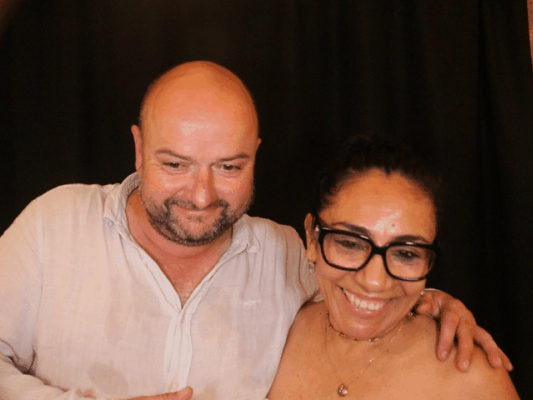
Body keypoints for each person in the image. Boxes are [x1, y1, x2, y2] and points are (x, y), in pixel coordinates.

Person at [0, 62, 511, 400]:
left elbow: (363, 283)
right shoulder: (53, 225)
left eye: (229, 167)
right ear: (138, 148)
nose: (201, 195)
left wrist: (433, 301)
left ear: (255, 156)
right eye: (175, 164)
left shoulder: (288, 255)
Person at [267, 136, 519, 399]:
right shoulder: (271, 331)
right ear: (311, 238)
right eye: (350, 243)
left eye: (405, 254)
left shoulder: (473, 378)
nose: (374, 281)